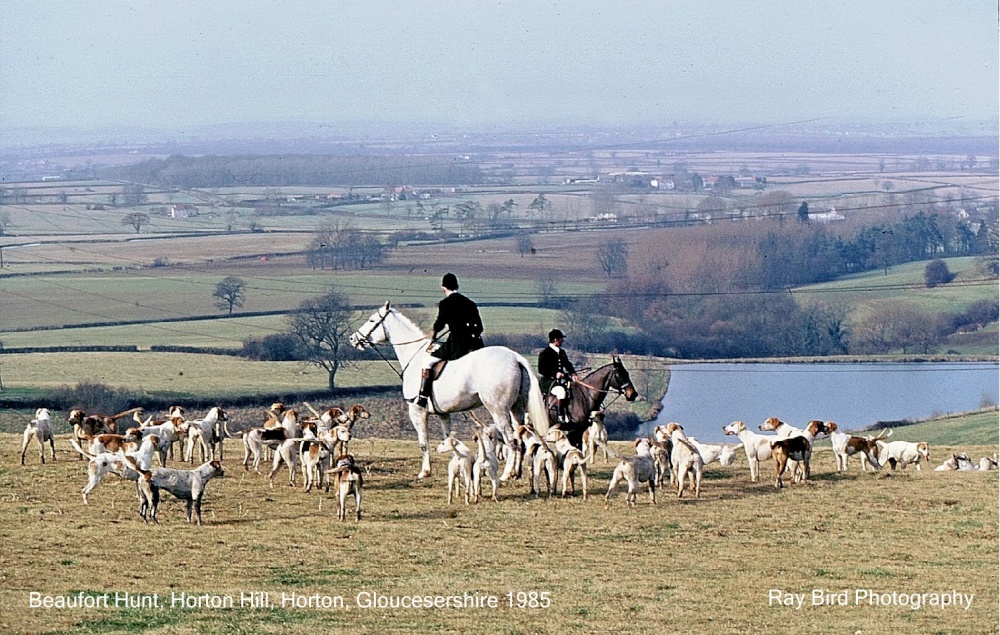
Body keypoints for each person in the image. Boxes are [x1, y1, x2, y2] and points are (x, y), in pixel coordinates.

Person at [416, 273, 484, 407]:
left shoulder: (445, 303)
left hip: (457, 345)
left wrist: (433, 337)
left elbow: (439, 324)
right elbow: (479, 327)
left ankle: (423, 397)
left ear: (443, 287)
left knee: (427, 362)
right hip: (476, 344)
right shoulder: (470, 303)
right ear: (457, 286)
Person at [537, 329, 578, 423]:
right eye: (561, 339)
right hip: (548, 382)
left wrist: (573, 373)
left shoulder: (562, 352)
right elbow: (541, 370)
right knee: (561, 392)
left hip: (562, 380)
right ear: (555, 339)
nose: (562, 341)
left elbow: (567, 364)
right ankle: (560, 416)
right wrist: (555, 374)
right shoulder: (545, 353)